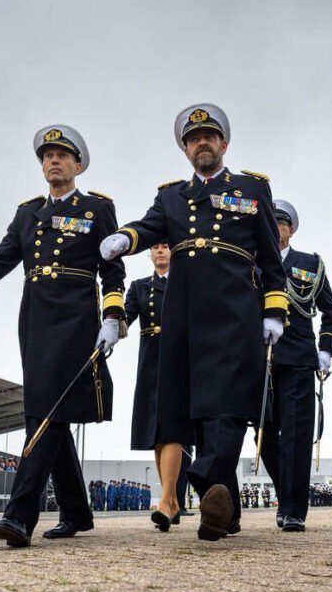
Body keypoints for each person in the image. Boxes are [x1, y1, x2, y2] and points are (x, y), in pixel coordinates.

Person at [100, 103, 287, 542]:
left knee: (226, 408)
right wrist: (124, 239)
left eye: (209, 136)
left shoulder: (251, 188)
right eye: (193, 138)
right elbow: (148, 227)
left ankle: (206, 484)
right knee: (197, 412)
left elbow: (270, 259)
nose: (201, 143)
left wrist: (274, 310)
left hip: (233, 308)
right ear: (185, 149)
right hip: (182, 312)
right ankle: (225, 510)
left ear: (224, 143)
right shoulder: (171, 197)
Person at [0, 124, 126, 547]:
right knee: (50, 412)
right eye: (47, 156)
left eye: (62, 155)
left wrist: (113, 316)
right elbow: (3, 257)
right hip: (35, 318)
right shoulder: (28, 212)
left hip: (77, 318)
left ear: (77, 164)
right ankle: (77, 513)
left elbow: (112, 269)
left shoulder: (97, 209)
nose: (53, 161)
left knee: (42, 414)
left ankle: (19, 516)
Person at [258, 199, 332, 532]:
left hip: (299, 358)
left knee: (296, 434)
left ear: (291, 229)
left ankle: (294, 509)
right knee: (263, 436)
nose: (275, 227)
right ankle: (284, 492)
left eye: (281, 222)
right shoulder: (251, 260)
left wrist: (326, 349)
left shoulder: (310, 264)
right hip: (258, 359)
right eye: (270, 221)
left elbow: (331, 310)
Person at [124, 241, 186, 531]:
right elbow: (124, 317)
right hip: (149, 357)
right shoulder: (138, 286)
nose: (160, 251)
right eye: (155, 248)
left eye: (165, 246)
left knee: (172, 427)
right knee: (156, 432)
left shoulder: (187, 282)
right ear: (149, 254)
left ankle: (165, 501)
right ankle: (171, 504)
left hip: (179, 355)